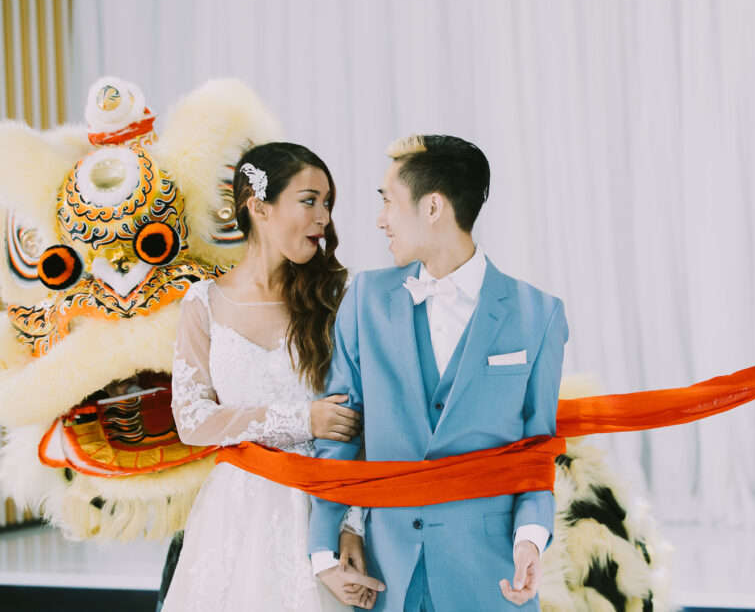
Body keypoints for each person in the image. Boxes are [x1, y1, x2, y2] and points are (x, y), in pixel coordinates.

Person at [309, 135, 568, 611]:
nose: (380, 219)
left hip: (489, 576)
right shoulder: (365, 298)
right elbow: (340, 434)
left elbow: (537, 450)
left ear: (433, 207)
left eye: (388, 201)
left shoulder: (539, 315)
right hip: (385, 574)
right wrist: (325, 549)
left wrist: (530, 539)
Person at [163, 142, 377, 611]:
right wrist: (303, 420)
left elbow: (362, 425)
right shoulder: (203, 304)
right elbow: (193, 419)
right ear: (258, 206)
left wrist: (351, 525)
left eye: (327, 203)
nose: (323, 217)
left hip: (321, 509)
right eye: (309, 200)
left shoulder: (340, 297)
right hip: (234, 519)